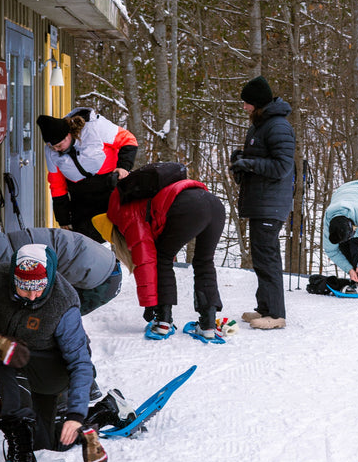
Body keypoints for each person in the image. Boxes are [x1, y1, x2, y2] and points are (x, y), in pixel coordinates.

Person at [0, 244, 107, 462]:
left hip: (52, 373)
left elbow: (80, 362)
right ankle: (23, 456)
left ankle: (103, 411)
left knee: (61, 437)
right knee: (43, 441)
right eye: (24, 287)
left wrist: (77, 414)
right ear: (12, 278)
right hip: (13, 362)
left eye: (38, 288)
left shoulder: (64, 302)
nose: (32, 295)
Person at [105, 164, 227, 340]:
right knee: (204, 261)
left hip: (189, 206)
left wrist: (151, 304)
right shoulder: (145, 192)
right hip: (214, 203)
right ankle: (208, 325)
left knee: (162, 258)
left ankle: (163, 322)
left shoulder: (125, 211)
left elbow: (145, 260)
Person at [229, 76, 296, 330]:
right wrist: (241, 158)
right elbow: (261, 157)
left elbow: (282, 166)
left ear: (257, 104)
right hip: (261, 201)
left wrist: (250, 163)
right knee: (261, 256)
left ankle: (276, 314)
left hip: (271, 202)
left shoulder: (278, 126)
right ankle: (264, 308)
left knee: (267, 258)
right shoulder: (260, 124)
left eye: (247, 103)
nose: (244, 107)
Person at [0, 227, 123, 316]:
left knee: (53, 327)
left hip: (102, 281)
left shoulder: (13, 264)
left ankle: (83, 382)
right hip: (103, 262)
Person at [38, 107, 138, 241]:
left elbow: (128, 140)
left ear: (68, 135)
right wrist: (63, 219)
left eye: (59, 145)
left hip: (110, 189)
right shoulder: (52, 153)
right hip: (81, 200)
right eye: (53, 147)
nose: (57, 149)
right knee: (85, 241)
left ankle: (119, 259)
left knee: (120, 234)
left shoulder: (95, 129)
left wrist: (123, 167)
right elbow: (57, 186)